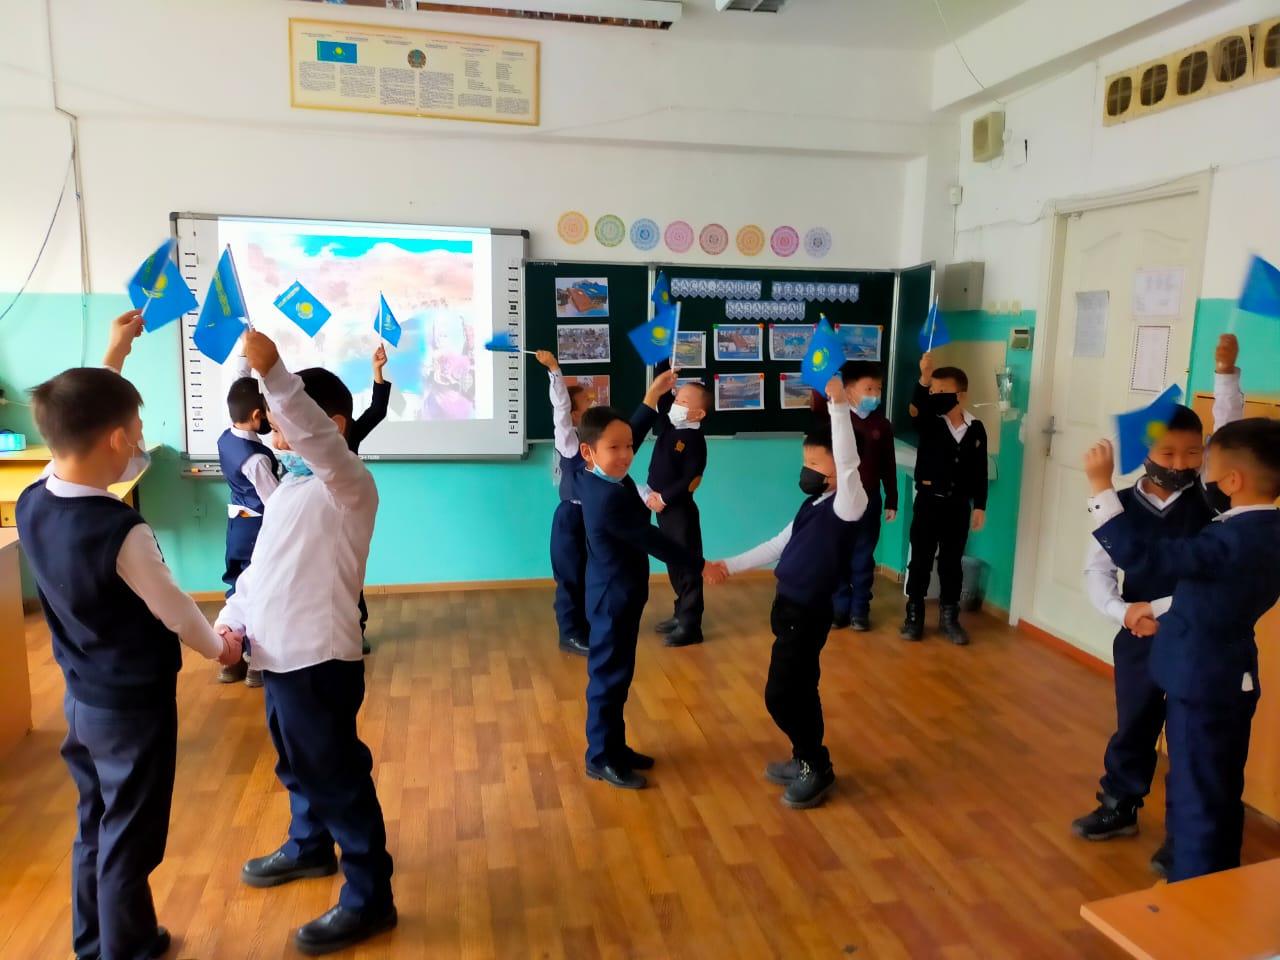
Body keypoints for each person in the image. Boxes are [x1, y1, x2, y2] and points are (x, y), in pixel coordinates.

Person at [16, 309, 240, 960]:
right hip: (132, 708)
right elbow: (174, 608)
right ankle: (124, 950)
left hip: (82, 699)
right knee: (130, 840)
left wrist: (114, 353)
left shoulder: (35, 497)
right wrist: (219, 647)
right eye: (137, 433)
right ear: (116, 440)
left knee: (96, 822)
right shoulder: (122, 531)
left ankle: (103, 941)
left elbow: (81, 415)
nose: (140, 442)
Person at [215, 331, 395, 955]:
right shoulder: (289, 489)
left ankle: (370, 897)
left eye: (282, 421)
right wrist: (231, 622)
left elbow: (316, 438)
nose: (273, 431)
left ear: (332, 426)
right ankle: (310, 846)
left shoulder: (348, 484)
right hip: (277, 657)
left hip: (319, 660)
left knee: (337, 776)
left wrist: (274, 372)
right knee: (296, 764)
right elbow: (259, 573)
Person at [1073, 334, 1244, 877]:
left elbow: (1231, 431)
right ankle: (1119, 804)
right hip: (1139, 637)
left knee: (1191, 740)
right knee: (1135, 723)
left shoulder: (1213, 501)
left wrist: (1225, 373)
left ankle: (1183, 837)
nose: (1181, 463)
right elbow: (1097, 572)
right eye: (1168, 454)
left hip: (1197, 637)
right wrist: (1123, 612)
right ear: (1144, 452)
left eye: (1193, 454)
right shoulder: (1116, 506)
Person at [1085, 416, 1280, 882]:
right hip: (1229, 671)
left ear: (1233, 480)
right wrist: (1128, 611)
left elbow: (1143, 557)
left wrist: (1099, 487)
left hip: (1200, 676)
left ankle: (1193, 887)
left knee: (1196, 791)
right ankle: (1215, 878)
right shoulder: (1265, 529)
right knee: (1217, 782)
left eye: (1203, 461)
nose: (1194, 469)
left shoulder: (1226, 537)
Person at [705, 376, 868, 809]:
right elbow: (778, 545)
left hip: (808, 614)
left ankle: (816, 765)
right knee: (802, 690)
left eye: (815, 462)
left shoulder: (849, 503)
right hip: (788, 608)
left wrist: (837, 405)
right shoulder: (813, 504)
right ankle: (806, 759)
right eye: (805, 461)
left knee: (779, 696)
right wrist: (729, 565)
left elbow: (847, 460)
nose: (806, 469)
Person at [576, 369, 703, 790]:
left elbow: (623, 432)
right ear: (588, 452)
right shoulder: (608, 497)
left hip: (619, 594)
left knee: (618, 676)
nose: (627, 454)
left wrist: (651, 397)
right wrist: (699, 565)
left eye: (629, 446)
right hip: (613, 599)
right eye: (615, 448)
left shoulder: (595, 474)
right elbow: (653, 539)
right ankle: (600, 757)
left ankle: (615, 747)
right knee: (608, 681)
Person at [900, 353, 987, 645]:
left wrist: (980, 506)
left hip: (958, 507)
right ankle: (914, 615)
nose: (935, 396)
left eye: (941, 391)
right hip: (928, 503)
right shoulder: (930, 422)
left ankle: (950, 617)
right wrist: (924, 377)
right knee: (921, 559)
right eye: (932, 392)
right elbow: (915, 410)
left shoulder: (976, 428)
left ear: (961, 395)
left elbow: (979, 470)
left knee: (951, 562)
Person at [813, 360, 898, 631]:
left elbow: (888, 464)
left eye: (879, 389)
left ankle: (860, 609)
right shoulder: (835, 417)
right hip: (838, 499)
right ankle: (840, 607)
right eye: (868, 388)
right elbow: (817, 403)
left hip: (869, 499)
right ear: (848, 391)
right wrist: (826, 377)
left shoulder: (882, 425)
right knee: (837, 554)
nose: (875, 394)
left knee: (862, 557)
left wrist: (892, 499)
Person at [640, 363, 712, 647]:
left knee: (688, 564)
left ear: (698, 413)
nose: (676, 404)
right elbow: (662, 397)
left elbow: (689, 479)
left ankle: (691, 624)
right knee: (673, 562)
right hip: (663, 509)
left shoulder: (694, 440)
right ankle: (681, 612)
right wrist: (665, 369)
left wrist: (664, 498)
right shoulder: (670, 425)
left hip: (679, 510)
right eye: (677, 398)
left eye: (683, 402)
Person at [216, 376, 279, 686]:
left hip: (237, 526)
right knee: (259, 592)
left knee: (237, 587)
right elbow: (275, 501)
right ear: (257, 415)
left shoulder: (226, 438)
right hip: (258, 530)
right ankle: (256, 662)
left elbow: (239, 384)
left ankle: (232, 661)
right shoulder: (256, 459)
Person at [535, 349, 592, 656]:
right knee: (570, 577)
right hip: (571, 517)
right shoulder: (569, 442)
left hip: (591, 517)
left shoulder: (592, 444)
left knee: (589, 574)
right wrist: (554, 369)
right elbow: (560, 408)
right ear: (574, 415)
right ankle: (570, 634)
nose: (594, 407)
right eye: (588, 405)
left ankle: (586, 627)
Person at [345, 345, 391, 655]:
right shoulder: (303, 441)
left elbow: (377, 411)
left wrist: (377, 372)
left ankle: (355, 630)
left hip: (348, 517)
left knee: (350, 573)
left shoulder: (348, 434)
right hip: (317, 520)